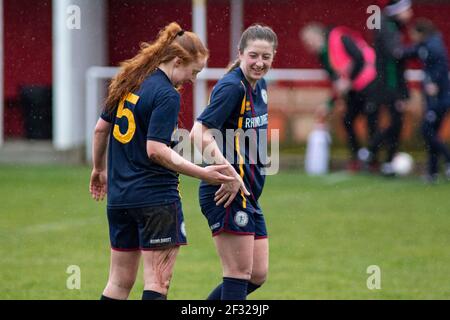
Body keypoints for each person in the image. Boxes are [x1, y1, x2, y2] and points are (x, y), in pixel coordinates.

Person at [89, 22, 238, 300]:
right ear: (178, 61)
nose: (192, 80)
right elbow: (156, 150)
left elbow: (100, 130)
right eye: (194, 72)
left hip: (120, 198)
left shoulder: (129, 79)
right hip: (155, 200)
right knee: (158, 283)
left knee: (119, 282)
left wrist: (99, 169)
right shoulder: (166, 94)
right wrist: (204, 174)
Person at [190, 24, 278, 300]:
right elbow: (197, 132)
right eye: (253, 55)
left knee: (257, 274)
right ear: (240, 53)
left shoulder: (260, 85)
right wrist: (227, 171)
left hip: (248, 193)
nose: (259, 63)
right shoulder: (232, 88)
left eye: (266, 57)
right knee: (238, 274)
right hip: (225, 192)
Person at [300, 23, 379, 172]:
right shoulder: (323, 55)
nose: (308, 44)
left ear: (319, 35)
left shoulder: (340, 38)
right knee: (347, 120)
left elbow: (359, 59)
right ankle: (356, 157)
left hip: (370, 84)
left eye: (309, 39)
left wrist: (348, 80)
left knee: (371, 121)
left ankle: (374, 161)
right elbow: (336, 82)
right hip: (353, 90)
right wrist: (329, 104)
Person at [367, 0, 414, 176]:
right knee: (396, 123)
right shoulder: (388, 27)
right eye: (407, 10)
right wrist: (420, 49)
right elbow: (395, 55)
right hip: (390, 86)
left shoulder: (390, 26)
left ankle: (381, 157)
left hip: (390, 85)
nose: (410, 14)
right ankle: (375, 152)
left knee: (396, 123)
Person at [406, 18, 450, 183]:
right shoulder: (427, 45)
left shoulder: (433, 46)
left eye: (413, 34)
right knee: (432, 134)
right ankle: (433, 173)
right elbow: (410, 52)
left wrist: (434, 83)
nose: (411, 37)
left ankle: (447, 158)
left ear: (420, 33)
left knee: (426, 131)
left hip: (438, 99)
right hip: (435, 98)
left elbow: (440, 67)